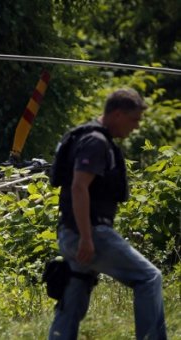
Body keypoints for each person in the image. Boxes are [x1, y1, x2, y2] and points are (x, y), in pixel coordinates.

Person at [48, 88, 167, 339]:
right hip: (88, 232)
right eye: (134, 119)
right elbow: (79, 186)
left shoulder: (90, 137)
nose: (136, 127)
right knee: (149, 278)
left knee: (76, 287)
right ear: (117, 114)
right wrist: (87, 237)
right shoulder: (96, 142)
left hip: (71, 232)